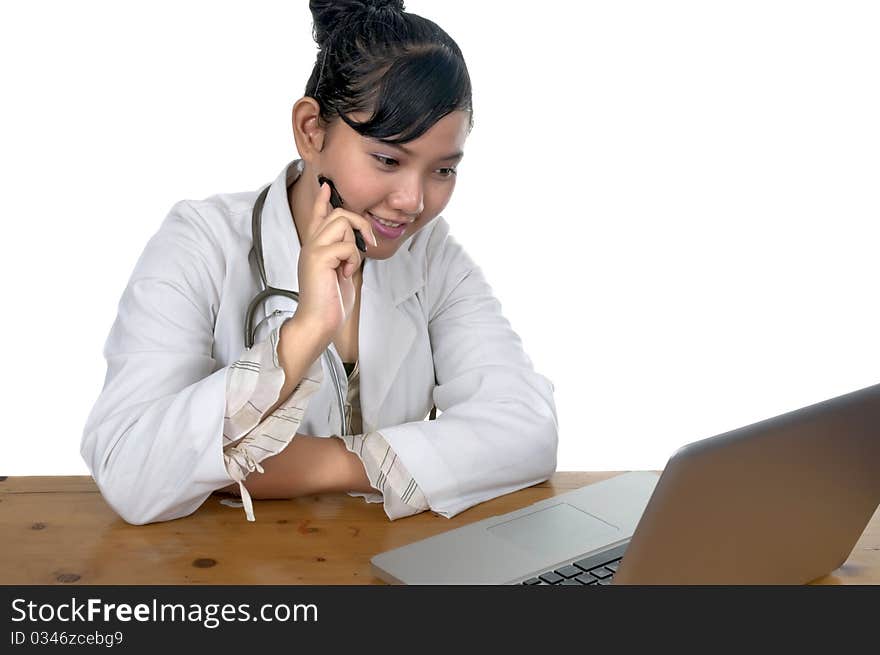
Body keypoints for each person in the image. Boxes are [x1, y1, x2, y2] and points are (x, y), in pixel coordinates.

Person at [80, 0, 558, 525]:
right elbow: (128, 471)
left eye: (442, 170)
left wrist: (321, 464)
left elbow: (529, 431)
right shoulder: (200, 243)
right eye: (388, 160)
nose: (413, 201)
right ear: (311, 131)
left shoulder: (432, 256)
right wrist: (305, 331)